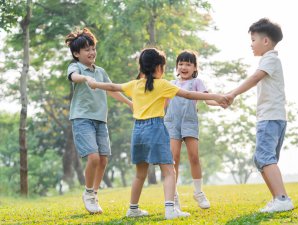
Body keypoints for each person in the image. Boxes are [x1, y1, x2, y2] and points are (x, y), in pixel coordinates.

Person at [88, 48, 227, 219]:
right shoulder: (162, 85)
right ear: (159, 67)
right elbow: (189, 94)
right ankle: (170, 209)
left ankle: (133, 209)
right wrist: (218, 96)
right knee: (169, 170)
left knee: (140, 173)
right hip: (155, 128)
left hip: (138, 130)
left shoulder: (135, 84)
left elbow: (112, 86)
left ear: (142, 67)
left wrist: (95, 84)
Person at [225, 18, 294, 213]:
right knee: (263, 159)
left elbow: (255, 78)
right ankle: (277, 198)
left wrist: (233, 93)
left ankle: (282, 198)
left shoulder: (270, 58)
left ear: (265, 41)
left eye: (253, 39)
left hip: (270, 117)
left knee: (264, 157)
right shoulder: (270, 59)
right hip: (274, 116)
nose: (251, 44)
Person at [65, 28, 133, 214]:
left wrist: (129, 103)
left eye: (93, 48)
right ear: (76, 53)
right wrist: (86, 77)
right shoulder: (76, 67)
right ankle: (88, 193)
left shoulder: (100, 71)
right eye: (86, 49)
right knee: (93, 157)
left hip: (100, 120)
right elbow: (73, 77)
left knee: (103, 160)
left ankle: (94, 194)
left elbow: (111, 89)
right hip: (82, 119)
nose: (91, 52)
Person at [164, 50, 218, 210]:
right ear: (177, 66)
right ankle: (173, 197)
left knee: (194, 157)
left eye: (188, 64)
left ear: (195, 67)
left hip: (189, 123)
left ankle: (198, 192)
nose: (184, 67)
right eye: (181, 64)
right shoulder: (171, 84)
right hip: (171, 123)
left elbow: (208, 100)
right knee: (173, 159)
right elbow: (164, 105)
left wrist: (221, 101)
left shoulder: (197, 82)